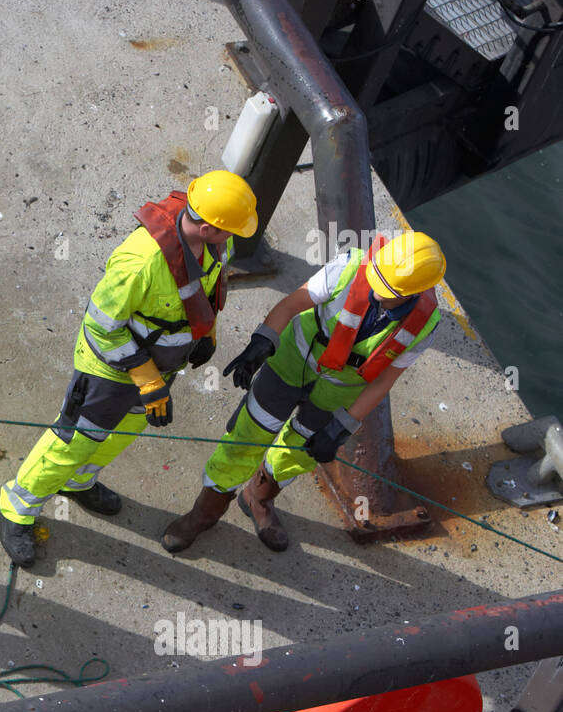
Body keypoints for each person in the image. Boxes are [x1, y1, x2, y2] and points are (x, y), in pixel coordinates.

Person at [0, 171, 258, 567]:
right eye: (228, 231)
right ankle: (16, 507)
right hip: (109, 370)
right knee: (75, 441)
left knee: (123, 433)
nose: (234, 238)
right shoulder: (140, 262)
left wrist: (208, 334)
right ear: (207, 227)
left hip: (160, 367)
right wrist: (148, 380)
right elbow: (102, 328)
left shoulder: (219, 244)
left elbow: (207, 290)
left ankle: (78, 481)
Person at [160, 230, 445, 553]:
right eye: (376, 278)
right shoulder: (350, 268)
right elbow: (293, 303)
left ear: (417, 292)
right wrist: (263, 340)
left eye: (389, 290)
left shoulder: (424, 324)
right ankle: (204, 514)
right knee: (247, 437)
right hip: (290, 364)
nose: (377, 292)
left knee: (300, 452)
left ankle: (258, 498)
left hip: (337, 394)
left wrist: (343, 425)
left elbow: (385, 380)